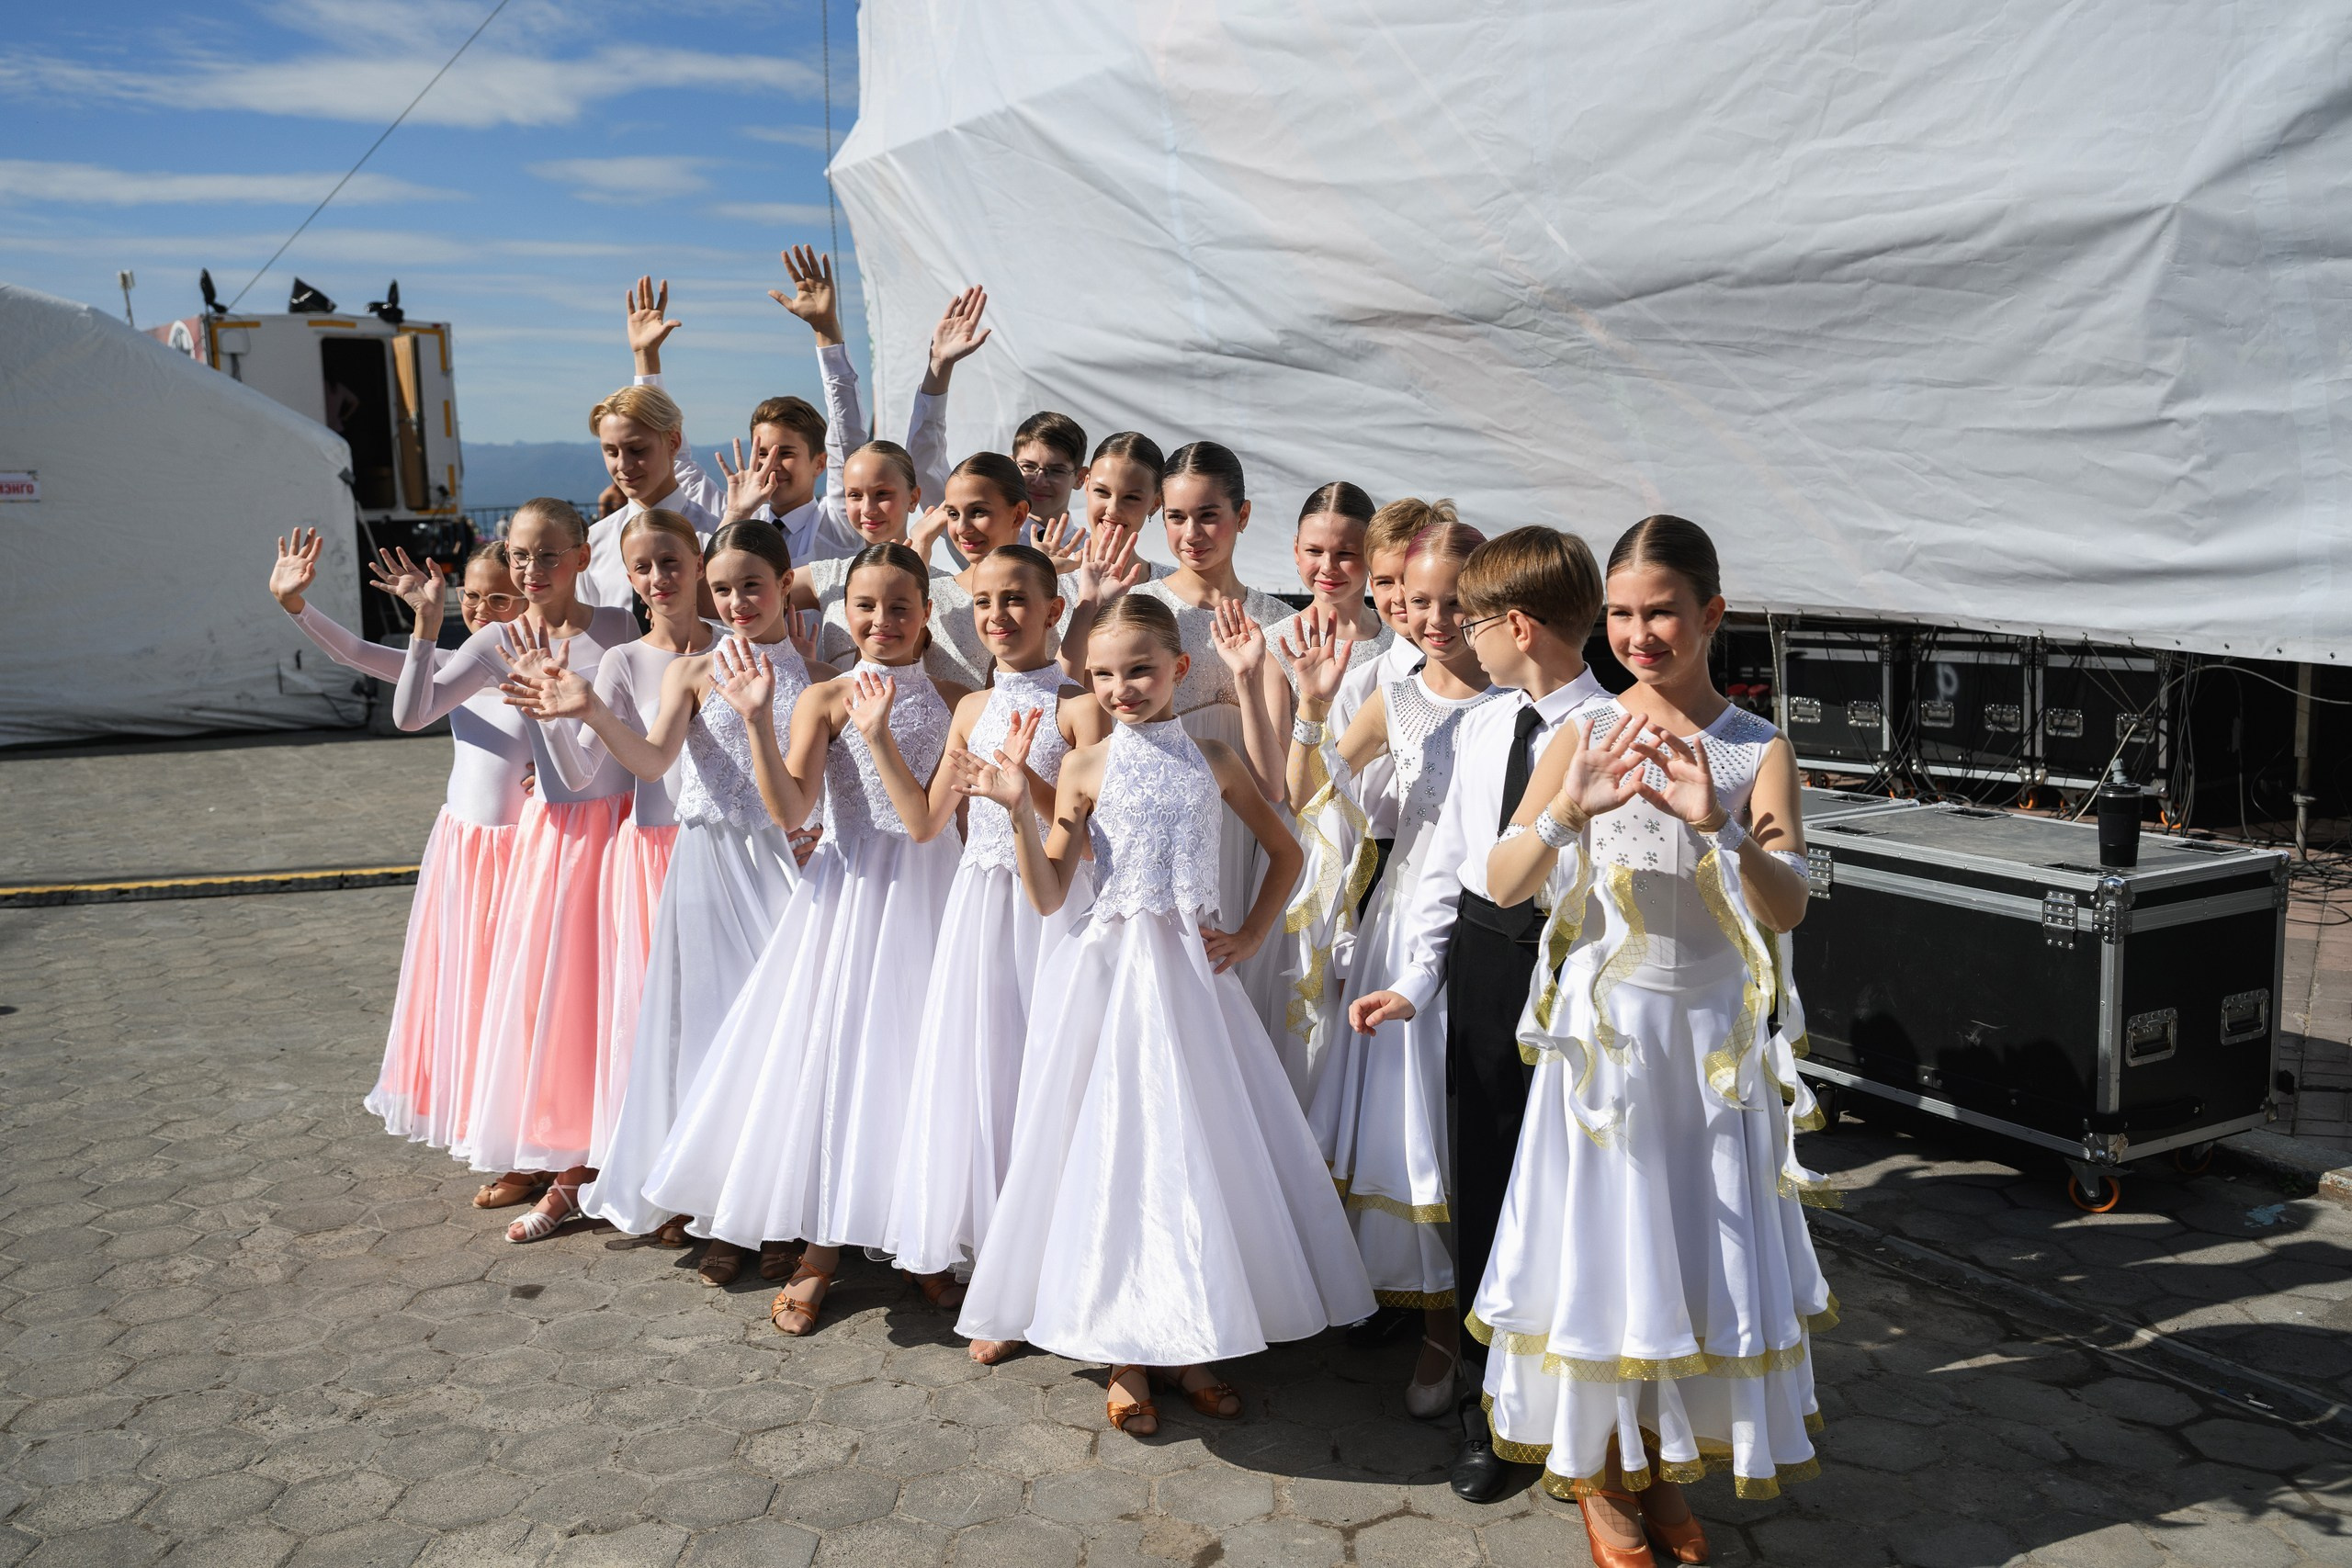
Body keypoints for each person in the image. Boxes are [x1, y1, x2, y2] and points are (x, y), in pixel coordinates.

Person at [1475, 515, 1832, 1562]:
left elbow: (1788, 907)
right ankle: (1601, 1474)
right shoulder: (1578, 733)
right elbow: (1501, 883)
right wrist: (1564, 815)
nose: (1638, 633)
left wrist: (1719, 821)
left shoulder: (1756, 747)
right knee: (1608, 1252)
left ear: (1710, 613)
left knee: (1686, 1257)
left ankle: (1656, 1455)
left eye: (1661, 611)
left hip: (1709, 1049)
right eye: (1621, 614)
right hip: (1609, 1049)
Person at [951, 594, 1374, 1428]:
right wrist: (1012, 808)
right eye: (1103, 675)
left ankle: (1192, 1339)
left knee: (1191, 1147)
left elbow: (1284, 849)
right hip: (1108, 980)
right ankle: (1125, 1348)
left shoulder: (1213, 757)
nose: (1121, 688)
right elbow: (1048, 896)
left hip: (1191, 978)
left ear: (1180, 668)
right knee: (1116, 1149)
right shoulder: (1081, 767)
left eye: (1139, 669)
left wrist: (1252, 933)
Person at [640, 542, 972, 1337]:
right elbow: (792, 809)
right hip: (850, 894)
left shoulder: (962, 697)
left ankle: (925, 1239)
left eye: (899, 606)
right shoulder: (820, 697)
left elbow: (934, 822)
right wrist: (756, 720)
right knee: (843, 1058)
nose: (882, 621)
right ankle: (822, 1250)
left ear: (928, 610)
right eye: (865, 606)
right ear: (841, 612)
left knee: (926, 1060)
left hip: (932, 896)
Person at [1345, 524, 1609, 1502]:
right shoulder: (1487, 727)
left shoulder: (1613, 725)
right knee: (1486, 1183)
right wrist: (1416, 982)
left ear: (1517, 624)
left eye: (1470, 615)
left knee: (1573, 1193)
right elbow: (1453, 877)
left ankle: (1581, 1407)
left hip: (1582, 982)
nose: (1450, 629)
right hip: (1486, 972)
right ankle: (1489, 1412)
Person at [507, 521, 831, 1280]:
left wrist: (818, 833)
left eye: (752, 584)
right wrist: (587, 707)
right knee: (707, 1038)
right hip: (701, 867)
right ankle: (723, 1210)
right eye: (723, 587)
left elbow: (809, 792)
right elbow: (652, 759)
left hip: (778, 868)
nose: (737, 599)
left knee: (781, 1035)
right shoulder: (692, 672)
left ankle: (781, 1209)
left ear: (785, 585)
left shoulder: (815, 681)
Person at [390, 498, 643, 1242]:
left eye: (546, 554)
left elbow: (647, 721)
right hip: (557, 841)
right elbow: (412, 713)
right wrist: (426, 629)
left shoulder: (619, 627)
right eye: (520, 555)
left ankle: (607, 1159)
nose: (531, 569)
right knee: (555, 1001)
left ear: (581, 557)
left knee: (618, 998)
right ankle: (559, 1162)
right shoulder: (500, 638)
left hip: (626, 832)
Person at [1285, 520, 1495, 1419]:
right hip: (1404, 915)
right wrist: (1312, 704)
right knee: (1411, 1129)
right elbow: (1307, 790)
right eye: (1420, 600)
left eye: (1458, 601)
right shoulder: (1394, 691)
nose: (1437, 618)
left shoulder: (1522, 698)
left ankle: (1488, 1320)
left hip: (1495, 925)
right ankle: (1432, 1322)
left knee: (1474, 1126)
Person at [881, 544, 1111, 1317]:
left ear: (1055, 610)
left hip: (1052, 907)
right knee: (986, 1071)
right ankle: (993, 1256)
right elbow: (924, 821)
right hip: (980, 908)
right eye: (984, 602)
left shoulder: (1082, 707)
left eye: (1016, 600)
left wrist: (1025, 787)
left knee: (1049, 1073)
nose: (998, 616)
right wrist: (878, 735)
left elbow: (1092, 827)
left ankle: (1051, 1253)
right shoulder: (971, 710)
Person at [269, 531, 530, 1151]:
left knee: (517, 992)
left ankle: (527, 1127)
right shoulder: (451, 665)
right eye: (471, 597)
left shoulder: (545, 668)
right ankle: (480, 1119)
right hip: (463, 851)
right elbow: (355, 652)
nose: (480, 612)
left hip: (525, 852)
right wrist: (295, 605)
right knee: (467, 989)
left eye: (500, 600)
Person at [503, 510, 717, 1202]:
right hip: (648, 856)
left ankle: (716, 1179)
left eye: (671, 561)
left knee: (716, 1015)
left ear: (699, 559)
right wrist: (549, 715)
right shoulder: (626, 659)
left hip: (719, 853)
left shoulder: (735, 646)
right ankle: (661, 1180)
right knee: (650, 1021)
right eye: (643, 567)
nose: (659, 578)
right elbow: (580, 775)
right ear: (627, 576)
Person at [1128, 442, 1300, 1043]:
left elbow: (1274, 784)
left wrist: (1249, 678)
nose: (1192, 532)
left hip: (1245, 825)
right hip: (1161, 818)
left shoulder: (1279, 622)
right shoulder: (1139, 611)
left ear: (1243, 516)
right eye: (1176, 516)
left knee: (1236, 994)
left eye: (1209, 514)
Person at [1265, 481, 1390, 697]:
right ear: (1296, 550)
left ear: (1372, 553)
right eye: (1314, 551)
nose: (1327, 568)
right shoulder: (1278, 644)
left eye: (1345, 554)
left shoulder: (1401, 637)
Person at [1012, 410, 1086, 532]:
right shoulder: (988, 544)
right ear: (1011, 466)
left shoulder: (1091, 549)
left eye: (1056, 471)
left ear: (1080, 478)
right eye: (1029, 466)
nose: (1039, 482)